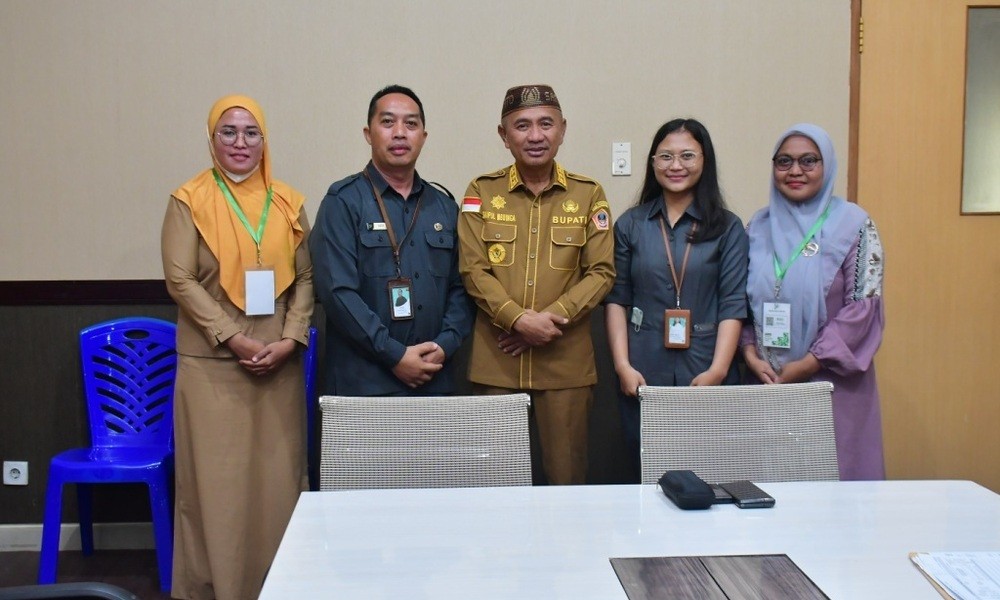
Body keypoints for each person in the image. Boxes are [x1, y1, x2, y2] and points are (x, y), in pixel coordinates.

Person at [161, 95, 313, 599]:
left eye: (251, 132)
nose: (240, 142)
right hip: (213, 367)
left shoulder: (287, 202)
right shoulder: (189, 200)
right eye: (228, 131)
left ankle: (282, 587)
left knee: (277, 485)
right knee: (217, 492)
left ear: (265, 140)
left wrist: (291, 338)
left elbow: (306, 278)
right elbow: (180, 280)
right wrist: (233, 337)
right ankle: (219, 590)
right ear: (211, 139)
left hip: (277, 366)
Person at [457, 84, 615, 485]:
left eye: (546, 124)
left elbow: (601, 272)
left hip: (565, 364)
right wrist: (517, 319)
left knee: (567, 482)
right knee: (495, 483)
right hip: (498, 362)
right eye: (522, 125)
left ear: (562, 129)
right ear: (503, 135)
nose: (535, 135)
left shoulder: (589, 194)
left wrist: (549, 320)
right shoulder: (481, 191)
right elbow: (473, 269)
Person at [742, 123, 885, 480]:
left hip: (831, 384)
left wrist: (809, 363)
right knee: (772, 488)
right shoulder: (756, 227)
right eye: (784, 161)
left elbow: (863, 308)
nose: (795, 171)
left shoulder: (854, 225)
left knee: (835, 488)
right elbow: (740, 302)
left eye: (808, 161)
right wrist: (749, 352)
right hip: (768, 383)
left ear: (827, 165)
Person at [604, 118, 748, 475]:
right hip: (642, 369)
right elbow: (617, 300)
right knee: (646, 469)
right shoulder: (631, 224)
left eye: (687, 155)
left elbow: (732, 304)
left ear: (704, 160)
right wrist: (622, 366)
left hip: (706, 366)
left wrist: (718, 370)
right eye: (666, 156)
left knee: (708, 471)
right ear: (653, 163)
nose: (676, 165)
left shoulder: (727, 227)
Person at [310, 84, 473, 396]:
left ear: (423, 136)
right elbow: (337, 292)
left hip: (435, 380)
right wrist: (394, 354)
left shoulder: (444, 207)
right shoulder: (342, 202)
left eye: (411, 124)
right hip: (363, 384)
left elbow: (462, 287)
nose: (400, 133)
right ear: (368, 134)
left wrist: (445, 344)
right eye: (387, 122)